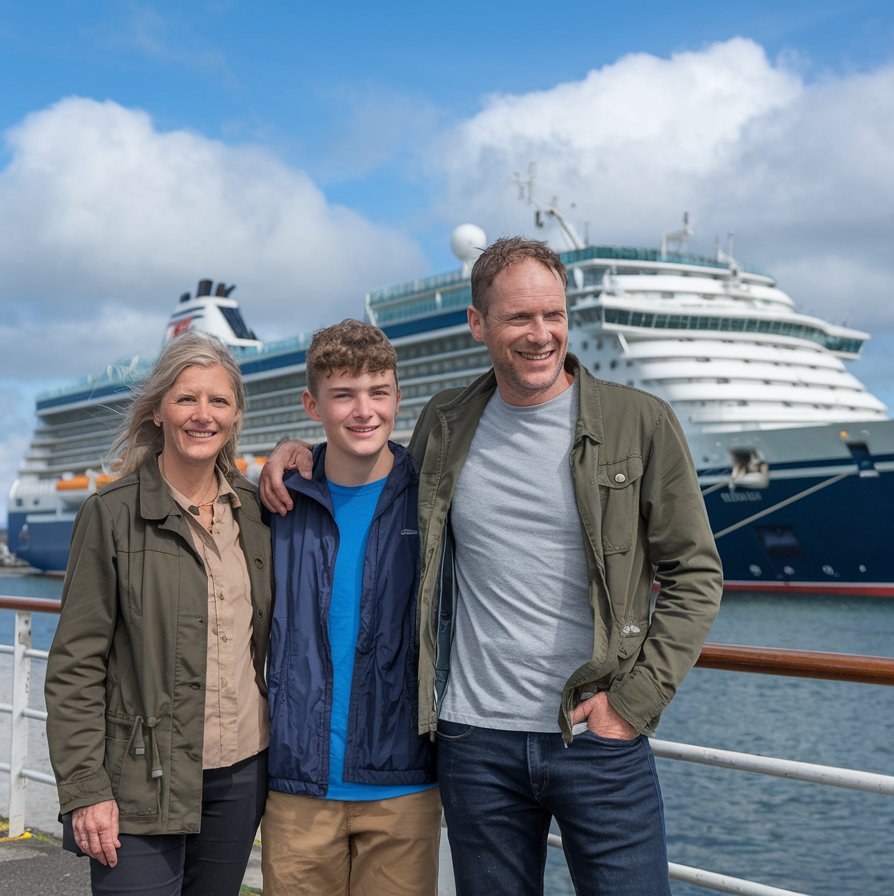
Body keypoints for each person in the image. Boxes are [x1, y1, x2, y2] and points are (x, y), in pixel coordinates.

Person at [259, 236, 723, 895]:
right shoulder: (447, 423)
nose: (542, 335)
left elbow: (696, 575)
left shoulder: (639, 422)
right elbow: (365, 465)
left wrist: (634, 701)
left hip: (596, 734)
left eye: (554, 315)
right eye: (519, 318)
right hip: (474, 742)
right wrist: (292, 452)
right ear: (478, 324)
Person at [45, 331, 272, 896]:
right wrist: (85, 789)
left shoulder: (257, 513)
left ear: (236, 413)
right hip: (139, 779)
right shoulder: (111, 514)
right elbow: (75, 666)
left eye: (218, 401)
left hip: (241, 773)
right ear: (159, 411)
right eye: (187, 399)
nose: (203, 415)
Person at [260, 319, 438, 896]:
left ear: (397, 397)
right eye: (343, 395)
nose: (364, 411)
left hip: (402, 786)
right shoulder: (279, 504)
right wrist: (278, 459)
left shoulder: (433, 496)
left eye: (378, 392)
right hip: (297, 786)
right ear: (313, 405)